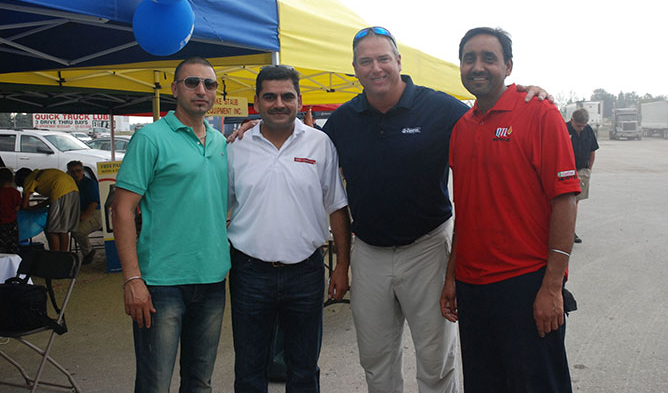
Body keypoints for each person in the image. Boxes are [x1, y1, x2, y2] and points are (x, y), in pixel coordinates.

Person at [230, 27, 550, 393]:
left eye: (383, 58)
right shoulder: (342, 121)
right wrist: (255, 127)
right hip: (369, 252)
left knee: (435, 360)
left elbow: (486, 113)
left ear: (398, 61)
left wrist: (523, 94)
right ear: (355, 68)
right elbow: (297, 141)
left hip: (427, 248)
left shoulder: (440, 109)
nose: (376, 68)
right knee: (376, 360)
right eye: (366, 61)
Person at [440, 27, 580, 393]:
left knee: (538, 384)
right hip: (473, 287)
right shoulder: (461, 128)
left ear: (508, 66)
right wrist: (452, 276)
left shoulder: (539, 113)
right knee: (484, 384)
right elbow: (466, 210)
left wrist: (552, 286)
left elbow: (565, 199)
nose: (478, 66)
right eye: (469, 58)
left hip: (526, 283)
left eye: (489, 58)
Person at [227, 65, 351, 392]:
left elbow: (337, 207)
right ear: (256, 101)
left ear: (299, 100)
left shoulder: (320, 144)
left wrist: (342, 267)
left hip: (305, 273)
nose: (279, 103)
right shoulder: (236, 146)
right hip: (250, 272)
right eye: (270, 97)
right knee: (249, 370)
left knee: (304, 370)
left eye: (287, 96)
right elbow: (218, 206)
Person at [112, 57, 230, 392]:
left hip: (211, 279)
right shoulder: (150, 139)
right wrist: (132, 279)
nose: (201, 90)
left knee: (200, 381)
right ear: (175, 89)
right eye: (192, 82)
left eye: (209, 84)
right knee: (155, 383)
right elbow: (122, 210)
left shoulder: (220, 142)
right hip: (161, 283)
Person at [14, 167, 79, 252]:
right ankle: (64, 255)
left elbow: (25, 205)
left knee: (52, 230)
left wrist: (27, 208)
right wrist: (36, 207)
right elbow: (50, 200)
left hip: (61, 192)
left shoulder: (29, 179)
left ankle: (56, 255)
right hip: (74, 190)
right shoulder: (40, 175)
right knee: (63, 229)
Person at [567, 108, 599, 243]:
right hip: (566, 172)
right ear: (572, 120)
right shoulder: (563, 129)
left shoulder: (588, 130)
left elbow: (592, 151)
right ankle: (560, 232)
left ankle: (570, 232)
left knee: (574, 203)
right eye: (578, 125)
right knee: (564, 203)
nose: (581, 128)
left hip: (582, 171)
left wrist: (588, 170)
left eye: (583, 126)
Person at [67, 160, 101, 264]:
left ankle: (88, 252)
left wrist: (82, 217)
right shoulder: (69, 184)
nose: (76, 174)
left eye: (78, 171)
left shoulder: (90, 183)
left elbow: (94, 203)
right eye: (72, 172)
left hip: (94, 212)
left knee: (78, 231)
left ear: (83, 171)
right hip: (78, 212)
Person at [0, 167, 21, 253]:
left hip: (1, 224)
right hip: (12, 224)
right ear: (12, 179)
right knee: (12, 246)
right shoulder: (15, 193)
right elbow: (17, 208)